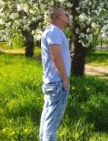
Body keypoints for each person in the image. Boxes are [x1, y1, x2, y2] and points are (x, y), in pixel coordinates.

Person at [40, 8, 71, 141]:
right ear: (59, 17)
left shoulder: (52, 31)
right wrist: (65, 78)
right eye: (66, 14)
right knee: (52, 121)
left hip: (52, 81)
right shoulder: (54, 31)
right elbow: (56, 56)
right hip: (57, 82)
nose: (68, 16)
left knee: (48, 117)